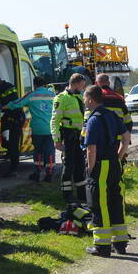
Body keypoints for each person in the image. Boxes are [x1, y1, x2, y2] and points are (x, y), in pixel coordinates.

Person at [81, 84, 129, 257]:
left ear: (91, 99)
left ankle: (102, 246)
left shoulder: (94, 119)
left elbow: (90, 149)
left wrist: (90, 169)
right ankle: (120, 243)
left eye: (85, 97)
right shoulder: (112, 115)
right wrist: (118, 156)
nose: (84, 100)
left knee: (99, 204)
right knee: (116, 201)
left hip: (101, 165)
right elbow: (126, 138)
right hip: (115, 164)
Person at [5, 77, 56, 182]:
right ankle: (49, 174)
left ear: (34, 85)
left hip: (38, 129)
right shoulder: (52, 95)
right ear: (45, 84)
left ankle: (37, 173)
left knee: (38, 151)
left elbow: (17, 103)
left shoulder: (32, 95)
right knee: (50, 151)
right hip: (51, 129)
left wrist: (4, 106)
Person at [51, 73, 87, 204]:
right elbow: (55, 121)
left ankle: (82, 195)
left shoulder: (79, 96)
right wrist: (57, 140)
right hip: (69, 136)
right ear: (76, 83)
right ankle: (67, 195)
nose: (84, 87)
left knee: (80, 166)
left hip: (80, 136)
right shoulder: (61, 98)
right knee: (68, 166)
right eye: (83, 85)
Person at [93, 73, 132, 154]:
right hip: (116, 139)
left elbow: (87, 121)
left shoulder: (94, 98)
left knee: (100, 163)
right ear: (109, 83)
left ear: (96, 83)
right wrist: (126, 139)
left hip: (98, 139)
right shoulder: (119, 98)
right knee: (115, 162)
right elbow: (128, 122)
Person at [0, 79, 26, 176]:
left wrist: (2, 106)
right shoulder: (1, 87)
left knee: (13, 145)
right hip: (10, 119)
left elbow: (14, 102)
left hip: (15, 119)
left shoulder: (8, 87)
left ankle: (13, 169)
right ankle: (10, 157)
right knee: (8, 144)